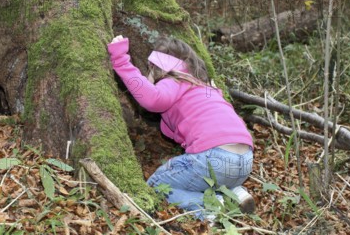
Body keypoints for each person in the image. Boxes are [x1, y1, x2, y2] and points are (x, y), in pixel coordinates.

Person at [107, 35, 255, 221]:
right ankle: (236, 192)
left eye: (150, 68)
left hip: (213, 156)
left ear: (157, 68)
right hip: (245, 160)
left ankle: (211, 204)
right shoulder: (207, 88)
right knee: (208, 175)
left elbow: (151, 99)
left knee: (158, 183)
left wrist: (121, 61)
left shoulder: (174, 81)